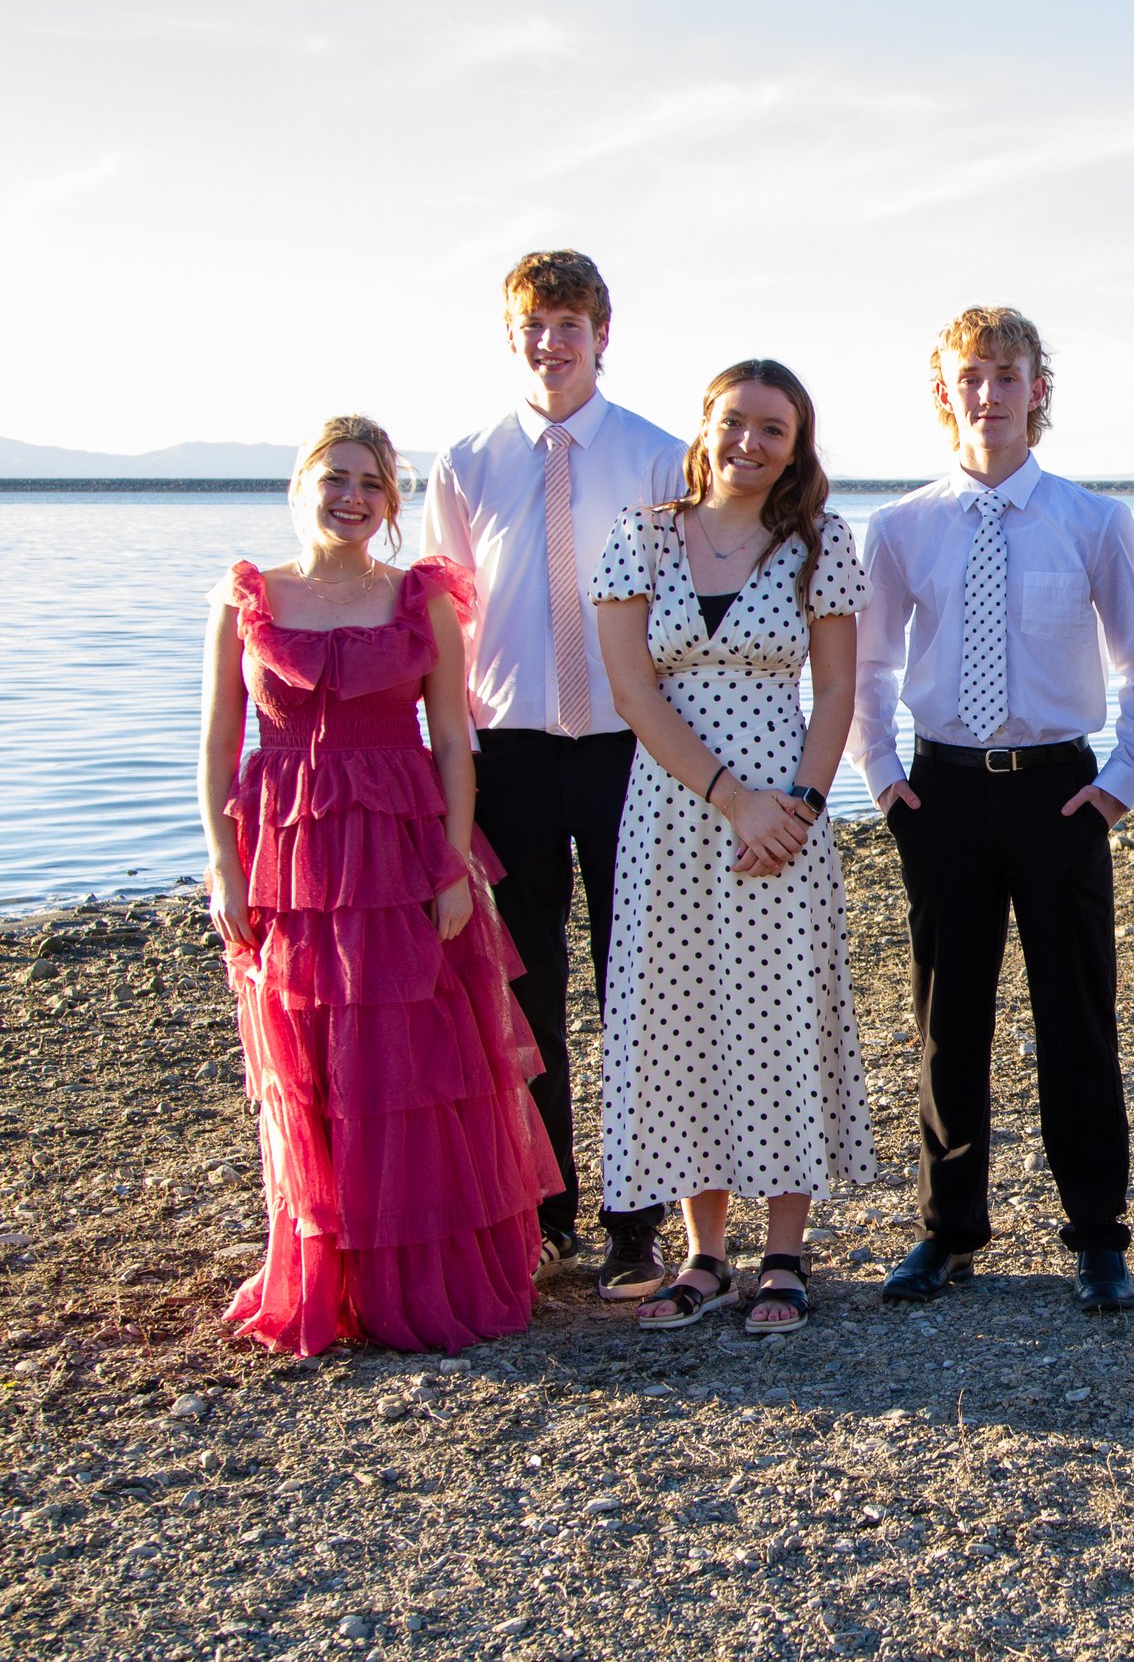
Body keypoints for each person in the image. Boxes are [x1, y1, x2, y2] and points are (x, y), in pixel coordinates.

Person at [203, 417, 563, 1356]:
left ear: (391, 504)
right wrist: (224, 864)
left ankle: (415, 1275)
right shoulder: (247, 598)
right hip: (291, 853)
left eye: (370, 482)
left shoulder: (418, 600)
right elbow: (216, 744)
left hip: (402, 846)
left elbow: (453, 742)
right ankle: (329, 1269)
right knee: (308, 1056)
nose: (351, 495)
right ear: (302, 482)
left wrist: (453, 863)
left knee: (407, 1059)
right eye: (335, 477)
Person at [848, 307, 1134, 1312]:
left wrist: (1119, 783)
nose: (988, 393)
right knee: (949, 1020)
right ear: (943, 392)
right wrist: (886, 776)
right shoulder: (902, 526)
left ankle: (1099, 1234)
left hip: (1057, 792)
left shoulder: (1092, 520)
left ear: (1039, 388)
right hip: (942, 791)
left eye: (1007, 374)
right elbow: (869, 663)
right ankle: (948, 1230)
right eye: (970, 376)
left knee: (1078, 1017)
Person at [422, 249, 684, 1300]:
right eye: (535, 324)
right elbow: (446, 624)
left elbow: (682, 604)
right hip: (511, 754)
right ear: (512, 334)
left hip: (631, 752)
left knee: (639, 987)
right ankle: (545, 1210)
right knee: (525, 989)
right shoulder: (467, 463)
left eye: (570, 323)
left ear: (602, 334)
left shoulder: (661, 456)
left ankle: (637, 1220)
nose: (552, 342)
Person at [591, 360, 872, 1334]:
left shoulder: (820, 542)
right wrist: (728, 798)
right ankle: (704, 1250)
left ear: (797, 447)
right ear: (705, 426)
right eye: (735, 421)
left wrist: (791, 805)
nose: (750, 443)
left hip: (783, 819)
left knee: (776, 1008)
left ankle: (784, 1250)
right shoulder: (639, 537)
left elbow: (836, 690)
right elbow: (632, 692)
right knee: (681, 1012)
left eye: (774, 430)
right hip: (670, 815)